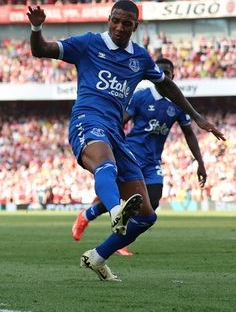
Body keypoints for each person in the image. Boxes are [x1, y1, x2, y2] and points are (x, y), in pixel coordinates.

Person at [27, 0, 224, 281]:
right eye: (115, 21)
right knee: (105, 166)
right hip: (88, 120)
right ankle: (116, 211)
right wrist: (37, 27)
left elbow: (166, 85)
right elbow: (41, 49)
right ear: (109, 19)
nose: (120, 27)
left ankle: (97, 256)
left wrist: (198, 117)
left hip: (116, 135)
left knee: (147, 216)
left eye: (127, 23)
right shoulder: (88, 44)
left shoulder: (140, 58)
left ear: (136, 25)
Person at [71, 58, 208, 255]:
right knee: (123, 197)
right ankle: (96, 222)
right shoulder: (141, 97)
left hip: (153, 161)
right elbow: (120, 120)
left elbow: (189, 133)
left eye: (167, 73)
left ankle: (92, 216)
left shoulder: (177, 105)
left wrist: (200, 163)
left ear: (172, 77)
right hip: (132, 154)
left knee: (151, 202)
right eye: (159, 72)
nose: (163, 76)